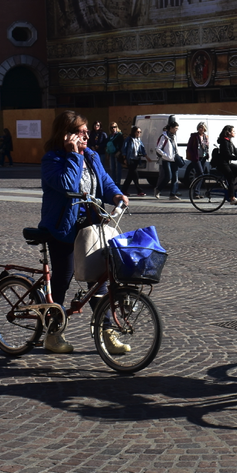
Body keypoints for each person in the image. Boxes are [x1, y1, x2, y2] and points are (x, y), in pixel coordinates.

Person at [39, 110, 129, 354]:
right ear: (66, 134)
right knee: (63, 277)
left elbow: (104, 180)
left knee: (98, 281)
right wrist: (72, 155)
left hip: (89, 225)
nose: (87, 135)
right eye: (81, 131)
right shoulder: (53, 159)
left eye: (87, 130)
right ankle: (53, 334)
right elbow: (67, 184)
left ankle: (107, 334)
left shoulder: (91, 155)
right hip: (62, 228)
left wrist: (116, 194)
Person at [217, 125, 237, 204]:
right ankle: (232, 198)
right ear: (228, 132)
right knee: (230, 178)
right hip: (222, 163)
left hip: (226, 163)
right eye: (233, 131)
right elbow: (228, 156)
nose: (234, 132)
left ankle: (230, 185)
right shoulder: (224, 142)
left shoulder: (229, 141)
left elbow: (236, 151)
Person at [154, 116, 181, 200]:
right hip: (167, 160)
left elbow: (175, 147)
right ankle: (158, 189)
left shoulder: (174, 136)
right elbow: (158, 149)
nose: (177, 130)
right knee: (168, 176)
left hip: (174, 159)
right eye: (176, 128)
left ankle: (172, 194)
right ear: (171, 128)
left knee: (175, 177)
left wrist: (178, 155)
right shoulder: (164, 137)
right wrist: (166, 155)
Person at [121, 126, 149, 196]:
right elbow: (124, 149)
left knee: (130, 176)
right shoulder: (129, 139)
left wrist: (147, 157)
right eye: (138, 132)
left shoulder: (138, 140)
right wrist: (124, 159)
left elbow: (142, 149)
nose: (139, 133)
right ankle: (139, 191)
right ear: (134, 132)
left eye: (140, 132)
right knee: (135, 175)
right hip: (130, 159)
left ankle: (123, 190)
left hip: (136, 159)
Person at [186, 121, 210, 186]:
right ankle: (196, 192)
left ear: (205, 128)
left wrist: (207, 153)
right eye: (199, 127)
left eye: (202, 127)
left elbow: (206, 147)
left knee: (202, 175)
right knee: (201, 174)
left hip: (203, 157)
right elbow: (189, 147)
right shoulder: (194, 136)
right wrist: (193, 155)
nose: (200, 129)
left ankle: (197, 192)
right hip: (196, 158)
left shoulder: (206, 136)